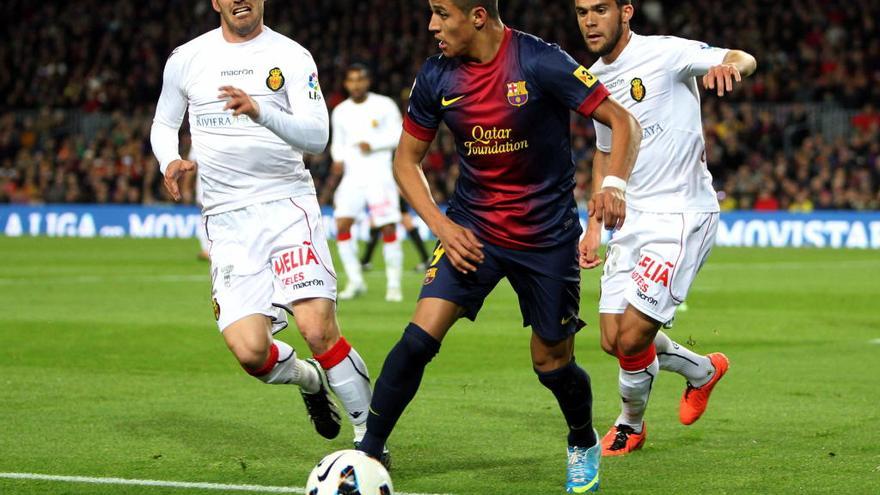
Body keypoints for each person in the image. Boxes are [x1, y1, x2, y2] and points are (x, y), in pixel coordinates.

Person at [356, 1, 641, 492]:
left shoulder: (538, 61)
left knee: (551, 363)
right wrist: (442, 226)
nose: (432, 26)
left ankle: (581, 439)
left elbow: (621, 119)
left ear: (479, 16)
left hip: (546, 237)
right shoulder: (436, 76)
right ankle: (367, 452)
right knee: (416, 342)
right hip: (473, 231)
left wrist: (613, 183)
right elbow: (406, 161)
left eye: (442, 14)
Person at [150, 0, 375, 448]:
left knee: (316, 328)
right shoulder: (186, 58)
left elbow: (317, 137)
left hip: (286, 205)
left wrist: (259, 111)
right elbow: (163, 122)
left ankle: (371, 443)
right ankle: (310, 381)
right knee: (252, 352)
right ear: (216, 2)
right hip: (227, 220)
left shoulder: (291, 56)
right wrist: (168, 158)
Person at [575, 0, 756, 456]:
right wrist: (593, 223)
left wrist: (730, 67)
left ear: (626, 11)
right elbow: (603, 151)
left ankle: (629, 425)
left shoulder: (667, 52)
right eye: (581, 12)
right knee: (612, 341)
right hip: (629, 217)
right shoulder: (593, 77)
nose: (590, 21)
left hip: (681, 214)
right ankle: (702, 370)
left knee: (634, 336)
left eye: (600, 9)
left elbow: (742, 56)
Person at [330, 64, 405, 302]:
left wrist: (373, 144)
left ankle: (393, 285)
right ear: (346, 83)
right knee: (342, 225)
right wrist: (337, 159)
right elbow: (337, 141)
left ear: (368, 81)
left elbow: (399, 134)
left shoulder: (384, 105)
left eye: (360, 79)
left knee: (388, 228)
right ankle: (355, 281)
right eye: (351, 80)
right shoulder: (340, 111)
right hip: (352, 177)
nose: (356, 84)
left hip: (379, 175)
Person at [360, 198, 431, 273]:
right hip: (387, 199)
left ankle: (365, 261)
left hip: (388, 199)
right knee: (377, 226)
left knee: (377, 225)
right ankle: (365, 261)